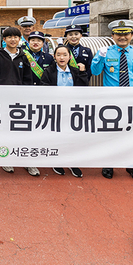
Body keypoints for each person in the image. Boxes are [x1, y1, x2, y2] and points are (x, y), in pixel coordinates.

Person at [91, 20, 133, 183]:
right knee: (111, 133)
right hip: (112, 100)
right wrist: (100, 57)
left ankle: (132, 165)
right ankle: (109, 163)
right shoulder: (105, 52)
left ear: (132, 35)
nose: (122, 37)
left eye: (126, 34)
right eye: (118, 34)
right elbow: (95, 72)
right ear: (112, 35)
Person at [0, 27, 39, 176]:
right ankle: (5, 157)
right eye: (9, 37)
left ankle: (26, 161)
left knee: (21, 130)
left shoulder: (24, 57)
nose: (13, 40)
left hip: (18, 102)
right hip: (0, 100)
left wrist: (26, 98)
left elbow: (27, 79)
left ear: (19, 39)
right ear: (4, 39)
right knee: (3, 129)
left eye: (15, 37)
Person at [43, 45, 90, 179]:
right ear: (54, 57)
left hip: (73, 110)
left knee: (72, 136)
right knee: (56, 136)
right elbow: (43, 87)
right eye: (58, 55)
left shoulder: (75, 71)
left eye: (65, 55)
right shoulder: (49, 71)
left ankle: (72, 162)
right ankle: (57, 160)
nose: (62, 57)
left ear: (70, 57)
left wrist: (82, 72)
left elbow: (83, 88)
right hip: (55, 109)